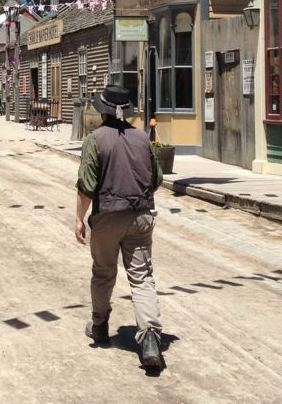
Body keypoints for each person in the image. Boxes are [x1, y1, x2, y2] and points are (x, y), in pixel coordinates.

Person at [74, 85, 164, 369]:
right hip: (140, 216)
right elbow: (156, 179)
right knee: (142, 277)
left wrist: (79, 218)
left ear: (103, 111)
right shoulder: (142, 138)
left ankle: (100, 326)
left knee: (103, 273)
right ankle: (150, 337)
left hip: (108, 217)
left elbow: (87, 186)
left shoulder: (95, 140)